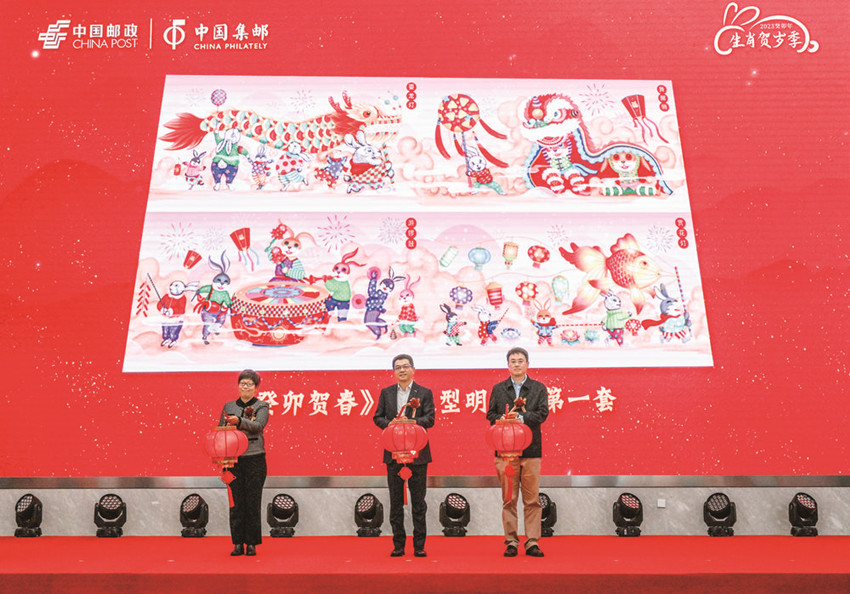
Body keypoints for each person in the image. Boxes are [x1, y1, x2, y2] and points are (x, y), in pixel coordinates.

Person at [486, 347, 549, 558]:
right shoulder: (498, 389)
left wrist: (521, 418)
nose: (516, 364)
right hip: (505, 452)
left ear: (527, 364)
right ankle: (511, 541)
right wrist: (502, 419)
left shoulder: (538, 388)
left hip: (531, 451)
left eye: (520, 360)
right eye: (513, 361)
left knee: (532, 500)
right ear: (508, 365)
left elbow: (542, 414)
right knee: (509, 500)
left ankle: (532, 542)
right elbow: (490, 415)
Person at [373, 354, 435, 557]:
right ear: (393, 372)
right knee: (395, 502)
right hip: (393, 453)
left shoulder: (424, 393)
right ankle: (398, 545)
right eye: (398, 367)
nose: (402, 370)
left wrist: (412, 422)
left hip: (418, 455)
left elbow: (430, 419)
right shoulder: (386, 393)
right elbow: (377, 417)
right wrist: (389, 424)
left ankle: (419, 546)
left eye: (405, 366)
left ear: (413, 370)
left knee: (419, 503)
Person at [219, 369, 270, 556]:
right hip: (233, 460)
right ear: (238, 386)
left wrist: (239, 421)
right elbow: (221, 432)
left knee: (252, 502)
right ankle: (238, 543)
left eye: (249, 384)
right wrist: (223, 461)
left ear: (256, 388)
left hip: (255, 458)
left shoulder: (262, 406)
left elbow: (258, 426)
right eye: (242, 383)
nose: (245, 387)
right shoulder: (229, 406)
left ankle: (251, 543)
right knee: (236, 503)